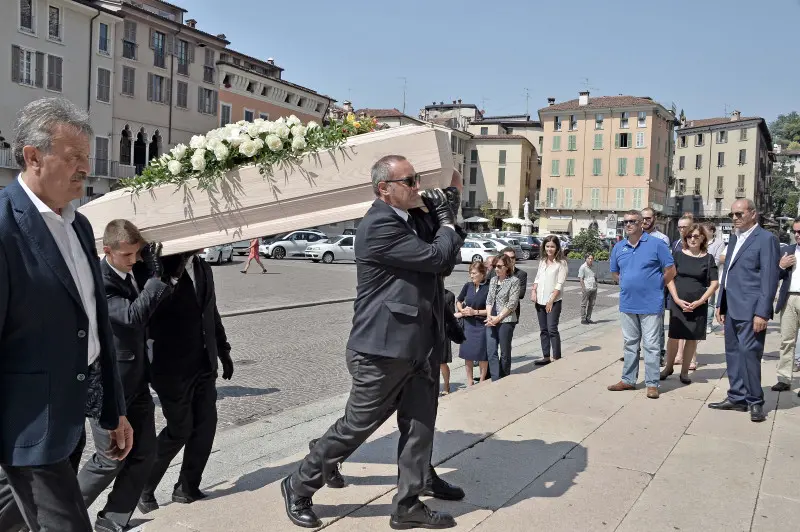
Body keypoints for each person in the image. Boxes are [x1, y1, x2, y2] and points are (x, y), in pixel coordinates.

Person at [280, 155, 463, 529]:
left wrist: (448, 206)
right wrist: (445, 221)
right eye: (409, 181)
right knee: (356, 427)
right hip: (381, 349)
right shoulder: (378, 225)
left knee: (419, 427)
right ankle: (298, 484)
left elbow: (448, 252)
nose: (417, 186)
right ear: (385, 189)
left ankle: (408, 505)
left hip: (420, 344)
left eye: (417, 179)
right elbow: (438, 256)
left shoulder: (410, 218)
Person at [0, 97, 131, 532]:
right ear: (33, 157)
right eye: (73, 156)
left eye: (86, 157)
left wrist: (113, 410)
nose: (84, 168)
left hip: (71, 416)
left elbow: (92, 326)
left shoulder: (79, 224)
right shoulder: (3, 225)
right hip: (27, 425)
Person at [76, 220, 171, 532]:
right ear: (108, 251)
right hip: (106, 385)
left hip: (137, 382)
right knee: (110, 459)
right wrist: (157, 278)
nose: (134, 260)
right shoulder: (98, 281)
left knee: (145, 453)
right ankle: (55, 518)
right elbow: (131, 317)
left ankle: (112, 520)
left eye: (137, 254)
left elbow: (155, 302)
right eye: (127, 255)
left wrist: (165, 272)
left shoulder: (134, 270)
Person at [138, 249, 234, 511]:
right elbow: (146, 312)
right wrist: (167, 276)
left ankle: (187, 486)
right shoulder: (154, 268)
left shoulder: (203, 267)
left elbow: (210, 310)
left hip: (204, 361)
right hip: (170, 366)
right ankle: (142, 486)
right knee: (179, 429)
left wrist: (223, 349)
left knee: (205, 426)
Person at [711, 199, 779, 422]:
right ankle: (737, 396)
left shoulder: (766, 239)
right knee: (732, 353)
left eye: (739, 214)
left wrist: (762, 312)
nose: (735, 218)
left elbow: (769, 278)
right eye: (732, 215)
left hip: (751, 310)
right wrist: (721, 302)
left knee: (750, 354)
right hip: (731, 307)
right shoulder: (734, 238)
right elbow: (727, 273)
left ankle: (755, 401)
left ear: (753, 214)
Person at [608, 210, 676, 399]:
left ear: (641, 223)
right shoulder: (618, 247)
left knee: (652, 345)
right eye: (625, 222)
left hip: (651, 304)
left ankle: (652, 383)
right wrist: (627, 284)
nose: (628, 225)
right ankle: (628, 380)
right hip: (628, 303)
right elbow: (615, 273)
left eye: (632, 221)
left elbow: (671, 270)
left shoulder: (657, 245)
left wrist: (657, 285)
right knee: (630, 344)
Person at [661, 224, 719, 385]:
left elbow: (715, 283)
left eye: (696, 236)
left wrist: (701, 301)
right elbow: (669, 278)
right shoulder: (678, 255)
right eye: (689, 236)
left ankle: (685, 372)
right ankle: (668, 367)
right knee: (673, 336)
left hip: (697, 304)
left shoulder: (708, 258)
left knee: (692, 338)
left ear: (702, 238)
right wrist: (677, 299)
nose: (692, 239)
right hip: (678, 302)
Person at [771, 216, 800, 393]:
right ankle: (784, 378)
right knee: (787, 340)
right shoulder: (788, 250)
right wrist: (781, 266)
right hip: (789, 298)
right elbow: (776, 275)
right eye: (795, 231)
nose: (797, 235)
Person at [532, 236, 568, 365]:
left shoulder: (561, 263)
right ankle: (546, 356)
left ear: (557, 248)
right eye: (547, 246)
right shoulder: (542, 261)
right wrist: (533, 290)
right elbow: (537, 278)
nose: (549, 249)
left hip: (554, 301)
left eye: (552, 246)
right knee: (543, 330)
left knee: (552, 328)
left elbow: (560, 283)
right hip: (540, 300)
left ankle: (556, 357)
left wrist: (551, 300)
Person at [486, 254, 521, 379]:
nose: (496, 269)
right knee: (491, 349)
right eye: (495, 266)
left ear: (507, 267)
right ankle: (494, 376)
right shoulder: (494, 280)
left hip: (506, 319)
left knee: (505, 351)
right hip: (492, 318)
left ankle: (505, 376)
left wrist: (498, 318)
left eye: (499, 266)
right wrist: (489, 315)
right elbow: (489, 299)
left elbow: (512, 304)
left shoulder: (514, 281)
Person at [457, 261, 490, 383]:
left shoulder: (489, 287)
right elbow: (459, 300)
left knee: (482, 354)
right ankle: (470, 381)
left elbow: (492, 309)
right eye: (470, 273)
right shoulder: (468, 285)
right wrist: (462, 310)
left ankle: (482, 380)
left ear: (482, 273)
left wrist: (475, 312)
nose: (471, 276)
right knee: (467, 353)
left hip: (482, 325)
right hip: (468, 325)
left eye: (474, 273)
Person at [705, 223, 725, 334]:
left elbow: (718, 259)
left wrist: (704, 266)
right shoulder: (701, 240)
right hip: (699, 275)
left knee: (710, 302)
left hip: (711, 275)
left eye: (707, 230)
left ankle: (708, 324)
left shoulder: (719, 243)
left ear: (712, 231)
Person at [578, 253, 597, 324]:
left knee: (591, 304)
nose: (590, 260)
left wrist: (596, 285)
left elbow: (595, 276)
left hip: (593, 288)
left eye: (592, 258)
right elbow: (581, 279)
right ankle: (583, 319)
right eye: (589, 258)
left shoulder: (593, 266)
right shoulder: (583, 267)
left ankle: (588, 318)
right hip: (587, 288)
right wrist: (583, 289)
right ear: (586, 259)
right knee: (584, 304)